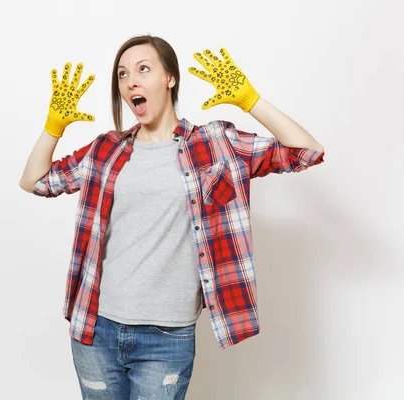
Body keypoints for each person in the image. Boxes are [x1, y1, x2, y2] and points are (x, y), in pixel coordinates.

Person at [19, 34, 325, 400]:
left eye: (143, 69)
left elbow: (307, 152)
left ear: (170, 78)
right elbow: (35, 182)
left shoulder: (214, 144)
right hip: (96, 328)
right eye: (122, 74)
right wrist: (54, 127)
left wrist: (251, 101)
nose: (130, 80)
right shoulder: (107, 149)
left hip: (167, 337)